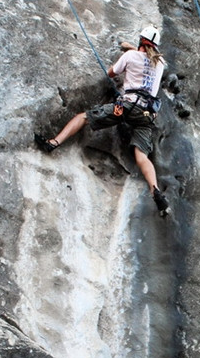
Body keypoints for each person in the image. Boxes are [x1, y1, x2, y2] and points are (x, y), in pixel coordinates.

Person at [35, 25, 170, 216]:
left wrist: (127, 51)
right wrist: (130, 48)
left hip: (126, 106)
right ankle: (155, 190)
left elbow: (111, 73)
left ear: (141, 40)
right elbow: (147, 57)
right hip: (146, 114)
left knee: (83, 117)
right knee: (142, 156)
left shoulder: (130, 56)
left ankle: (53, 142)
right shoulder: (160, 63)